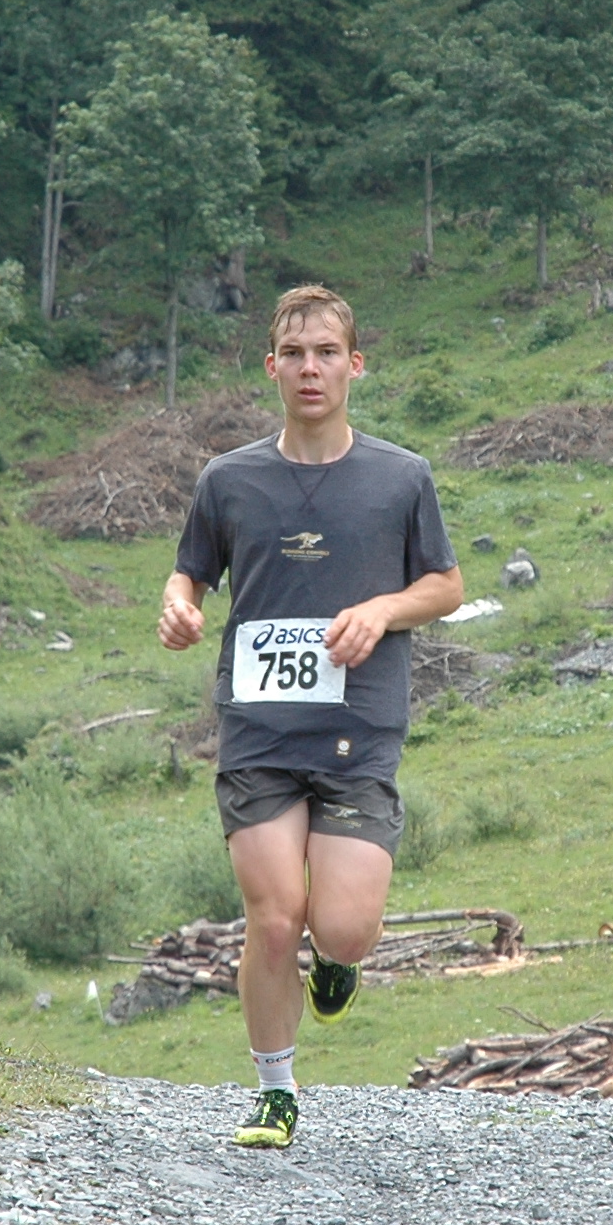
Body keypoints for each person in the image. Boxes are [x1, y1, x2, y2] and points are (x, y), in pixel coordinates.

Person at [158, 285, 463, 1148]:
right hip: (259, 732)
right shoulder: (229, 479)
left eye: (327, 353)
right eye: (294, 354)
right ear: (271, 368)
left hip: (357, 732)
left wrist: (382, 611)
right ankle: (275, 1093)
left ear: (354, 365)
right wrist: (178, 607)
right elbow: (190, 573)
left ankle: (336, 965)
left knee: (344, 928)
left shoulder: (402, 477)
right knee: (272, 917)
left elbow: (446, 586)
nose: (310, 369)